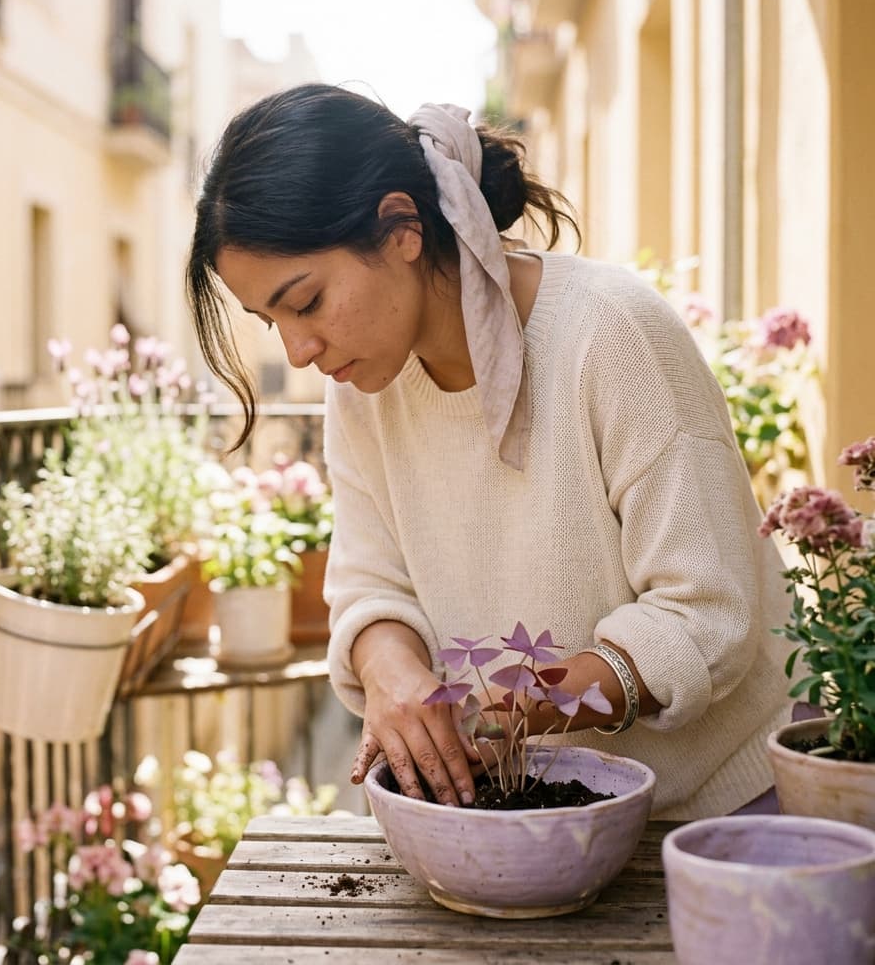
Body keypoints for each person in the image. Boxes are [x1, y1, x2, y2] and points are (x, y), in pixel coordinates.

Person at [185, 82, 795, 820]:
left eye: (307, 301)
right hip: (520, 823)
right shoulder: (359, 393)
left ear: (401, 229)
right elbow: (369, 583)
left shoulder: (610, 335)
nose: (300, 348)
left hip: (712, 818)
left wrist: (529, 708)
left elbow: (708, 613)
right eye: (269, 320)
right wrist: (388, 670)